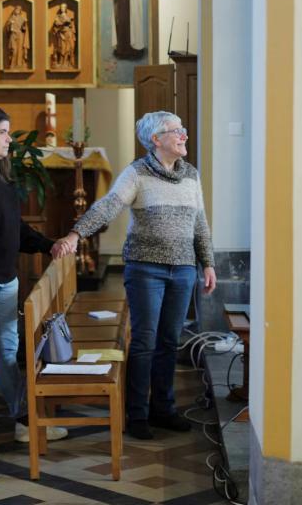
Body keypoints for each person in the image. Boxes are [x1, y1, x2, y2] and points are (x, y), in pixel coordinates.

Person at [55, 111, 217, 440]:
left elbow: (199, 223)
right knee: (144, 342)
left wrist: (208, 263)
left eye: (183, 130)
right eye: (176, 131)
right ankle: (138, 413)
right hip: (146, 269)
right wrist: (75, 234)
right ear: (156, 140)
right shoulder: (137, 173)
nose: (184, 136)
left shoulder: (191, 175)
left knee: (170, 342)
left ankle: (164, 409)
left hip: (183, 269)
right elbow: (108, 206)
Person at [0, 108, 73, 457]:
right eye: (3, 132)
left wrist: (48, 244)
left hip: (7, 280)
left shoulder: (2, 177)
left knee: (8, 352)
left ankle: (24, 420)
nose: (9, 139)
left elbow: (16, 230)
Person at [50, 3, 76, 69]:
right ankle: (61, 62)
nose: (62, 8)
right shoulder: (58, 17)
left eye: (64, 7)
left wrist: (71, 24)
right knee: (62, 48)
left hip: (68, 34)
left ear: (66, 8)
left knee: (68, 49)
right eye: (61, 7)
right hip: (61, 34)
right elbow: (55, 27)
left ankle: (65, 62)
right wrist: (62, 24)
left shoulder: (68, 17)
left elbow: (71, 27)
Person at [5, 6, 29, 70]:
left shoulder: (22, 18)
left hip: (20, 35)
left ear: (20, 11)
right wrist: (10, 25)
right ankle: (12, 64)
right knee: (14, 50)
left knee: (20, 50)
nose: (17, 10)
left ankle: (19, 64)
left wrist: (25, 24)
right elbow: (7, 28)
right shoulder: (11, 18)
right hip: (13, 35)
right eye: (16, 9)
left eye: (18, 10)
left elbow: (24, 29)